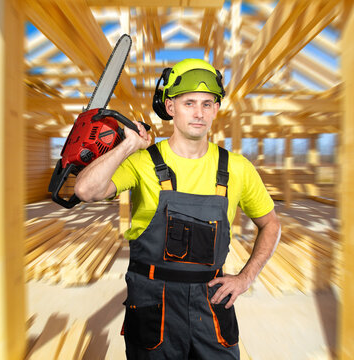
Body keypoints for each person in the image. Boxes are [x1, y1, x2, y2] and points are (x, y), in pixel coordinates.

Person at [74, 58, 281, 359]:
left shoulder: (238, 168)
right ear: (170, 107)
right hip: (152, 303)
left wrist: (246, 277)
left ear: (216, 109)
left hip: (210, 302)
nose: (199, 113)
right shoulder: (142, 161)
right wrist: (127, 147)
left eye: (207, 104)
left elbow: (271, 224)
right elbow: (85, 189)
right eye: (189, 103)